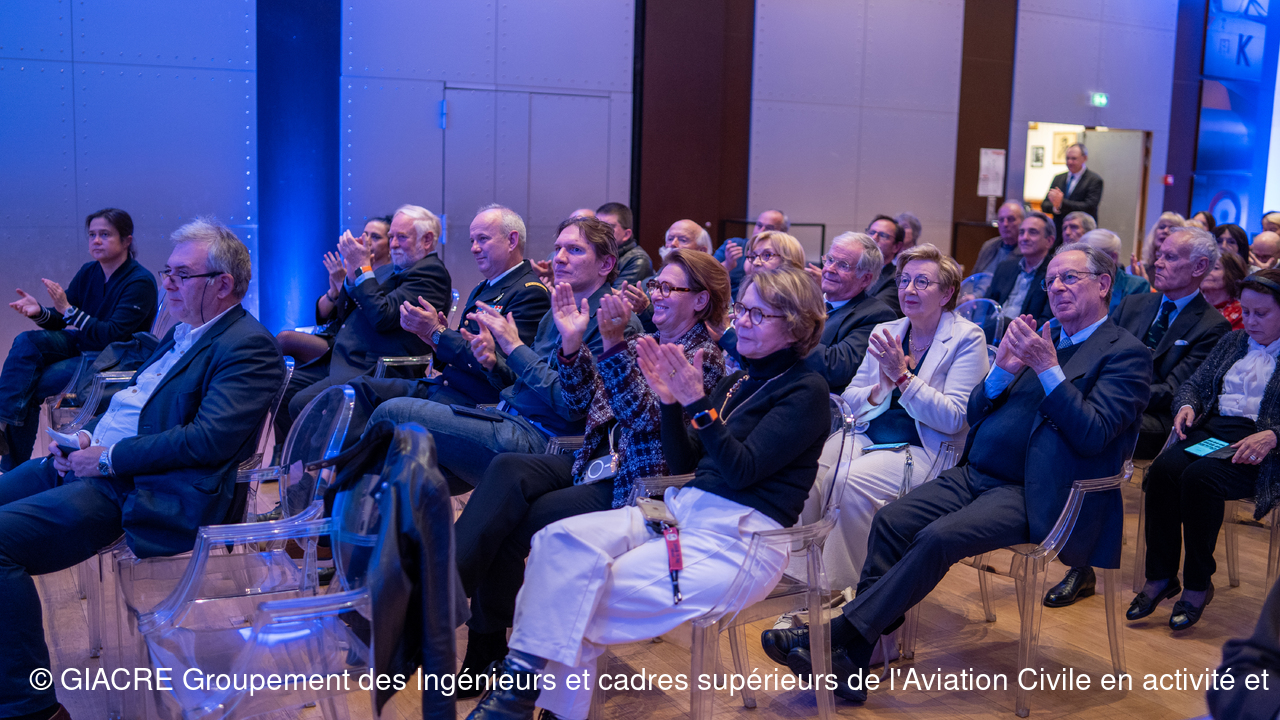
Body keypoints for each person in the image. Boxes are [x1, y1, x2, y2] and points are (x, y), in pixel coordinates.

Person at [763, 242, 1150, 702]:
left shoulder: (1124, 354)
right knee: (892, 521)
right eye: (1050, 280)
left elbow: (1093, 434)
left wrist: (1047, 369)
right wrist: (1003, 371)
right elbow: (976, 411)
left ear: (1104, 284)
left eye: (1070, 278)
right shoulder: (1042, 336)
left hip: (1039, 489)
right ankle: (855, 658)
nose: (1056, 288)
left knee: (936, 538)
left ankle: (836, 634)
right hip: (976, 472)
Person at [464, 266, 831, 720]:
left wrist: (696, 402)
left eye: (759, 314)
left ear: (796, 326)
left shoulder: (806, 390)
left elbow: (741, 471)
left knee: (578, 597)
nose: (743, 322)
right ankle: (521, 698)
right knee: (555, 543)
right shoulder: (739, 382)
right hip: (679, 512)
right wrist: (671, 402)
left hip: (739, 541)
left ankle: (517, 699)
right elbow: (684, 461)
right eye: (743, 310)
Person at [0, 218, 284, 720]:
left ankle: (32, 709)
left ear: (223, 284)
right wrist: (86, 439)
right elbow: (135, 404)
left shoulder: (248, 346)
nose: (167, 283)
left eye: (181, 274)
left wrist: (107, 458)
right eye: (167, 271)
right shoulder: (182, 332)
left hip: (142, 489)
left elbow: (207, 440)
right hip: (97, 463)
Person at [453, 249, 728, 692]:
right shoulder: (641, 341)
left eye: (668, 287)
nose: (656, 294)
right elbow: (579, 402)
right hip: (592, 461)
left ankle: (480, 641)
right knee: (506, 468)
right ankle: (449, 599)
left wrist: (614, 345)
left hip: (637, 484)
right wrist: (572, 344)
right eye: (655, 284)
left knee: (515, 521)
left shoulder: (704, 357)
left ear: (700, 300)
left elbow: (646, 418)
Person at [367, 216, 640, 493]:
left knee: (391, 412)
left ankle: (350, 508)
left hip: (543, 439)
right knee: (410, 469)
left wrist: (514, 348)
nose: (559, 258)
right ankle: (374, 515)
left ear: (606, 264)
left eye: (575, 250)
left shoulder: (615, 325)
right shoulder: (555, 312)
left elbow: (571, 407)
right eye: (558, 248)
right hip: (508, 417)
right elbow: (522, 384)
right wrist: (492, 363)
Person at [1045, 227, 1229, 608]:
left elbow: (1178, 390)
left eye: (1170, 257)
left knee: (1094, 437)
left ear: (1199, 267)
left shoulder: (1212, 325)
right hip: (1106, 402)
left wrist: (1120, 388)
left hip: (1158, 422)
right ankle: (1059, 534)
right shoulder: (1135, 304)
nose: (1157, 262)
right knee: (1074, 426)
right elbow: (1096, 351)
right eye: (1159, 254)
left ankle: (1081, 564)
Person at [822, 243, 989, 591]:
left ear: (947, 294)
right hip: (869, 434)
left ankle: (846, 591)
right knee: (814, 470)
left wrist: (903, 379)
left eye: (922, 282)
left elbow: (955, 418)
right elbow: (850, 400)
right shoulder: (887, 330)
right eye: (904, 280)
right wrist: (880, 389)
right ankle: (807, 576)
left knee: (849, 481)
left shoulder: (967, 338)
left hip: (928, 449)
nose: (909, 289)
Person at [1131, 269, 1280, 631]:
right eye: (1247, 311)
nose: (1250, 320)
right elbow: (1194, 385)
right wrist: (1187, 405)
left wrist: (1273, 435)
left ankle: (1198, 583)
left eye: (1262, 313)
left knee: (1200, 478)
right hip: (1216, 432)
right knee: (1164, 470)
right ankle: (1161, 575)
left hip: (1263, 445)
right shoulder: (1234, 341)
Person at [338, 205, 551, 434]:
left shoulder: (529, 292)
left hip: (476, 402)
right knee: (359, 389)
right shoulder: (485, 287)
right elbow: (461, 352)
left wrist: (438, 333)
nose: (474, 248)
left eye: (482, 239)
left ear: (512, 241)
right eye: (472, 241)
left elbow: (505, 372)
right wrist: (434, 340)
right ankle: (335, 458)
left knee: (387, 410)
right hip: (447, 387)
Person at [277, 204, 452, 439]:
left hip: (374, 365)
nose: (394, 244)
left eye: (401, 237)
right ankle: (285, 457)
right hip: (346, 355)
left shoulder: (430, 273)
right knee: (280, 388)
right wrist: (351, 275)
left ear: (427, 240)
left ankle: (320, 461)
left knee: (300, 402)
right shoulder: (394, 268)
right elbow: (344, 314)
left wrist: (362, 269)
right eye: (392, 237)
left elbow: (382, 317)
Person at [0, 208, 157, 469]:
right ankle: (2, 424)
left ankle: (11, 468)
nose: (96, 240)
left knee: (28, 386)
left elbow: (112, 335)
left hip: (113, 360)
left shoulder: (140, 281)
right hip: (84, 347)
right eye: (92, 235)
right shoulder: (89, 271)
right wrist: (39, 312)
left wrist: (69, 311)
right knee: (27, 341)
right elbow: (62, 318)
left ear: (127, 240)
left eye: (105, 234)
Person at [276, 216, 393, 364]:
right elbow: (324, 316)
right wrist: (334, 292)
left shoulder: (390, 277)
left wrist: (342, 285)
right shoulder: (356, 270)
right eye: (365, 234)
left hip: (355, 343)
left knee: (285, 339)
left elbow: (368, 315)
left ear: (390, 244)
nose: (367, 241)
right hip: (334, 334)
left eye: (375, 237)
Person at [986, 211, 1056, 327]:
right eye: (1022, 232)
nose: (1024, 238)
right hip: (992, 331)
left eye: (1032, 232)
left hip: (1024, 334)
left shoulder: (1054, 275)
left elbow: (1047, 323)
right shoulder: (1005, 267)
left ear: (1049, 241)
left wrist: (1008, 325)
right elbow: (986, 307)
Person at [714, 209, 788, 299]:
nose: (761, 231)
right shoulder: (734, 244)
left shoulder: (783, 255)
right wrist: (727, 265)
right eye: (759, 225)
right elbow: (707, 276)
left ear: (783, 233)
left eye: (769, 228)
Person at [1079, 228, 1150, 314]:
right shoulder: (1079, 282)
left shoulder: (1136, 286)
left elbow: (1130, 322)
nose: (1084, 262)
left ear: (1113, 257)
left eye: (1091, 257)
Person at [1041, 142, 1103, 231]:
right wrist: (1056, 208)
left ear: (1084, 158)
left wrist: (1061, 203)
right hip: (1059, 230)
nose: (1069, 162)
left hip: (1082, 230)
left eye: (1074, 158)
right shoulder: (1058, 178)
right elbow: (1045, 205)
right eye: (1067, 158)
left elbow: (1089, 207)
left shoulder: (1094, 180)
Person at [596, 202, 654, 289]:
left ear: (626, 234)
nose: (600, 231)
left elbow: (615, 295)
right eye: (597, 226)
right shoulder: (596, 252)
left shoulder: (638, 259)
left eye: (608, 227)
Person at [864, 215, 906, 316]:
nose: (874, 238)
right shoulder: (854, 270)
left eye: (882, 235)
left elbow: (874, 312)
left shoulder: (898, 280)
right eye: (872, 232)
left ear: (896, 247)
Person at [1130, 212, 1186, 284]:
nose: (1165, 231)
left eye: (1172, 229)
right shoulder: (1142, 269)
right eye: (1162, 227)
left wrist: (1145, 286)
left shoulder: (1181, 272)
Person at [973, 201, 1025, 276]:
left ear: (1023, 222)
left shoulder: (1026, 250)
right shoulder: (989, 246)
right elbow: (974, 277)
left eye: (1010, 219)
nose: (1005, 224)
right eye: (1001, 220)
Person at [1202, 251, 1248, 331]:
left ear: (1231, 274)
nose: (1206, 272)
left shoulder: (1242, 312)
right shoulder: (1192, 306)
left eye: (1215, 268)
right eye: (1204, 267)